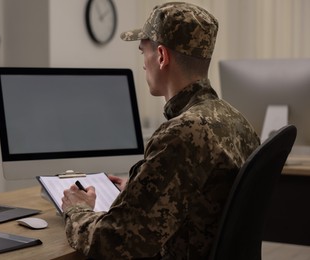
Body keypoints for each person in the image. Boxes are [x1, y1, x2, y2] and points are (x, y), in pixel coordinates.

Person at [61, 2, 260, 259]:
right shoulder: (235, 120)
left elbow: (113, 242)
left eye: (143, 51)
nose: (143, 63)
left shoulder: (183, 133)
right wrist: (141, 188)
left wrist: (77, 210)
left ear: (162, 56)